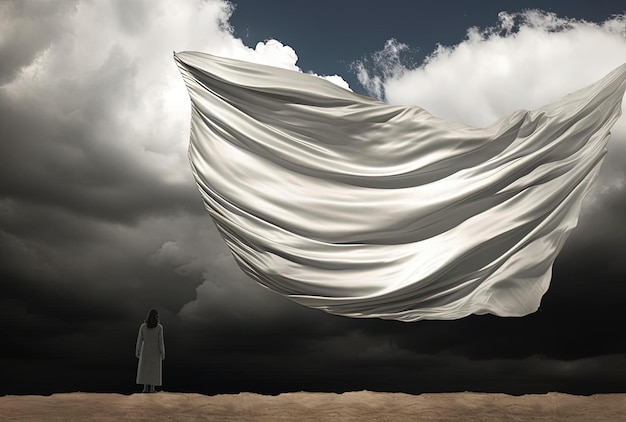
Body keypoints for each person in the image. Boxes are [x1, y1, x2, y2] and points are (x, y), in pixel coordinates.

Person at [135, 308, 165, 393]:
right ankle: (152, 388)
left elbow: (139, 339)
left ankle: (145, 388)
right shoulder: (159, 327)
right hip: (155, 350)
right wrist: (162, 352)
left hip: (145, 350)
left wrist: (138, 350)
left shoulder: (143, 326)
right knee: (154, 369)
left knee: (145, 368)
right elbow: (160, 341)